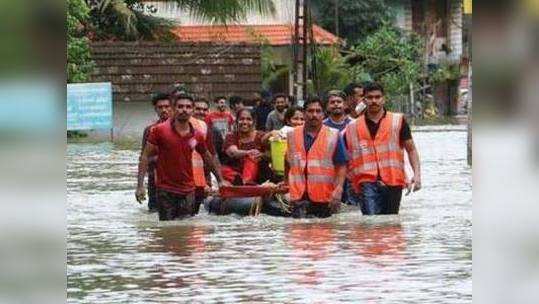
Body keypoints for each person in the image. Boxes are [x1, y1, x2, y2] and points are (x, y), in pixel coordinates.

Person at [136, 93, 228, 221]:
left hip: (188, 190)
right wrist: (140, 186)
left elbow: (207, 157)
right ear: (173, 109)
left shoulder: (197, 135)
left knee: (186, 228)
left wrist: (220, 180)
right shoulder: (159, 131)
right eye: (180, 106)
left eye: (188, 107)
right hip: (165, 190)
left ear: (192, 110)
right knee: (167, 230)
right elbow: (145, 156)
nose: (184, 110)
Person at [344, 82, 421, 215]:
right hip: (366, 182)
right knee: (371, 222)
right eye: (370, 97)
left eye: (377, 97)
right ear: (364, 100)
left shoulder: (398, 120)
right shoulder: (352, 127)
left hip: (393, 181)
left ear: (383, 99)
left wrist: (417, 175)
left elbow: (411, 149)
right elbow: (344, 157)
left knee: (390, 223)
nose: (374, 101)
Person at [284, 96, 348, 218]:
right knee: (297, 234)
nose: (314, 115)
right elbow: (287, 159)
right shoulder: (292, 134)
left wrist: (338, 189)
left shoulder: (334, 135)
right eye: (310, 111)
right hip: (298, 197)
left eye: (318, 111)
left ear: (323, 114)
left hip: (323, 196)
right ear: (304, 113)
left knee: (322, 235)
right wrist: (287, 186)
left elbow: (342, 165)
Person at [139, 92, 172, 212]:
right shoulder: (150, 130)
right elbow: (144, 157)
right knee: (155, 213)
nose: (164, 110)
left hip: (179, 180)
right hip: (155, 180)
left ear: (172, 107)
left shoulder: (184, 128)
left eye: (167, 106)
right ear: (156, 109)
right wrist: (140, 186)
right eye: (160, 107)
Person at [221, 109, 270, 185]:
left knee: (252, 157)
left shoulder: (261, 136)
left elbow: (271, 155)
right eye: (241, 119)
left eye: (249, 119)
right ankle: (241, 181)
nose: (244, 122)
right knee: (222, 170)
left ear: (254, 121)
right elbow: (233, 152)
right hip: (235, 173)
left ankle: (245, 183)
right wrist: (248, 152)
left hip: (258, 175)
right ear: (236, 121)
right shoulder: (231, 136)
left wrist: (262, 155)